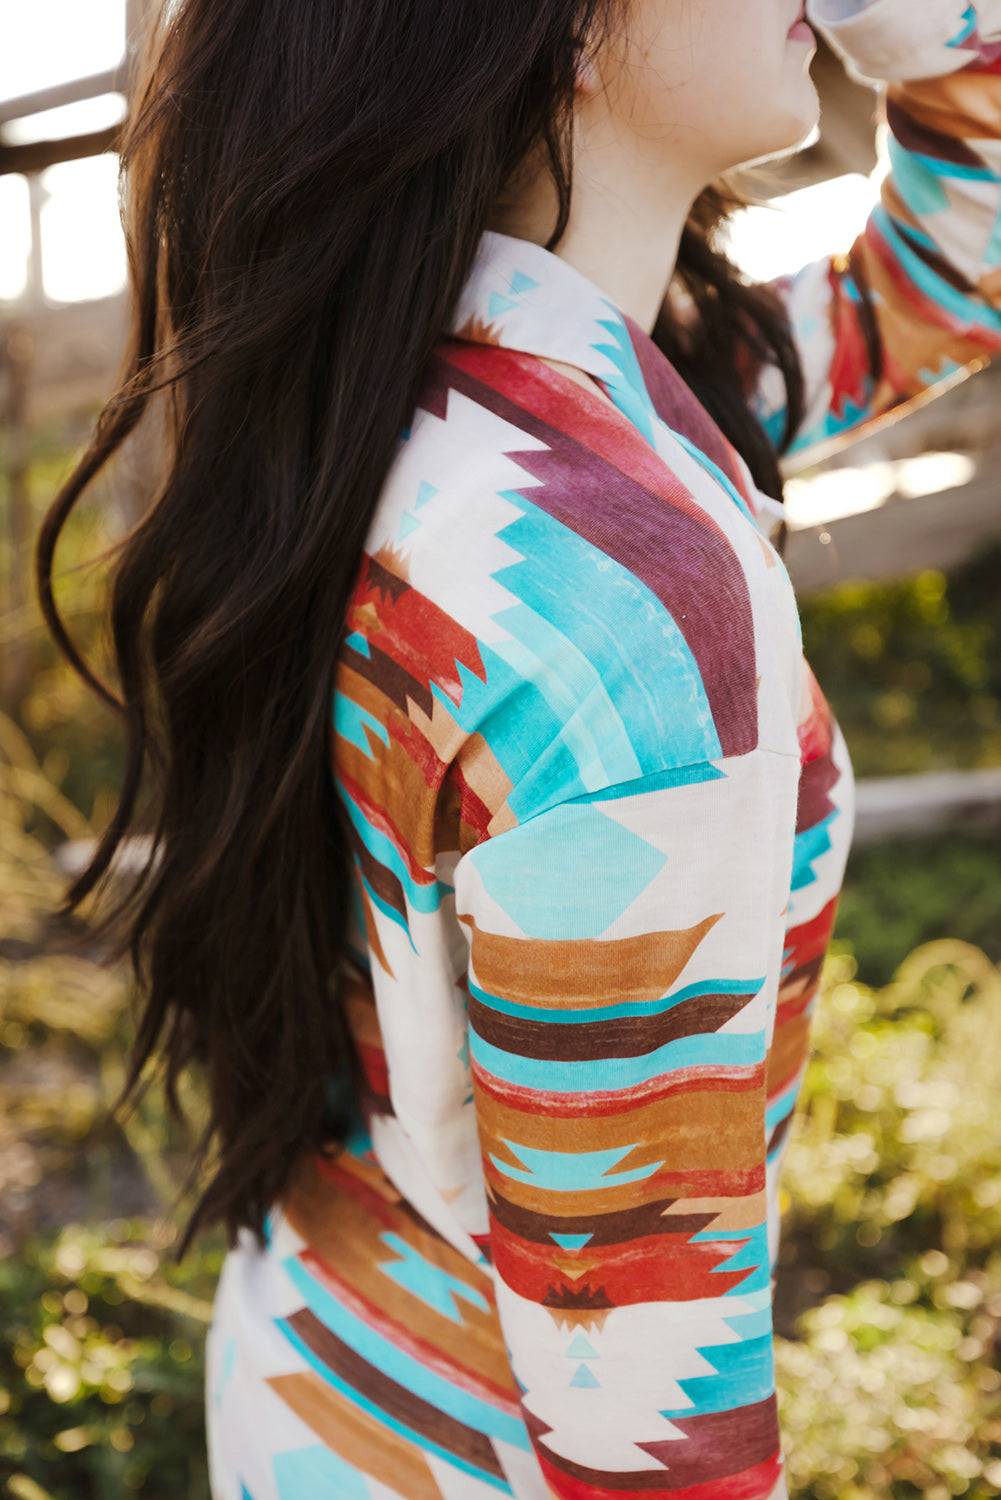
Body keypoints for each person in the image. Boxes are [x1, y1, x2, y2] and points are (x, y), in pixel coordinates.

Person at [34, 0, 1001, 1495]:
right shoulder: (620, 601)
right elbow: (644, 1426)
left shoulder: (421, 405)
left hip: (312, 1360)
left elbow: (953, 266)